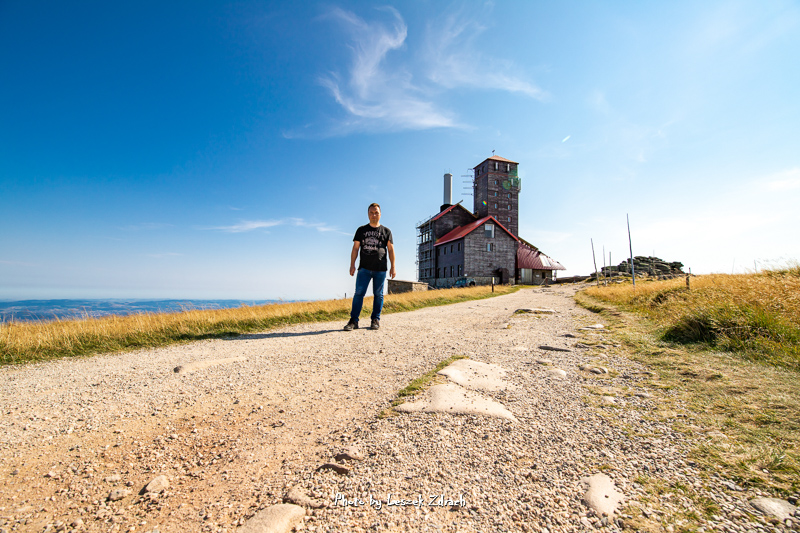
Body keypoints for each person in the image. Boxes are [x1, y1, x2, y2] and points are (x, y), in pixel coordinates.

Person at [344, 203, 395, 331]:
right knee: (359, 293)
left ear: (380, 214)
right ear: (368, 214)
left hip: (380, 269)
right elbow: (355, 248)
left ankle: (375, 319)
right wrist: (352, 264)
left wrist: (393, 267)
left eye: (376, 212)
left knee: (378, 294)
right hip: (364, 268)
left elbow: (390, 250)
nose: (374, 215)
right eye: (371, 212)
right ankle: (353, 321)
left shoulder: (386, 231)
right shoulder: (361, 230)